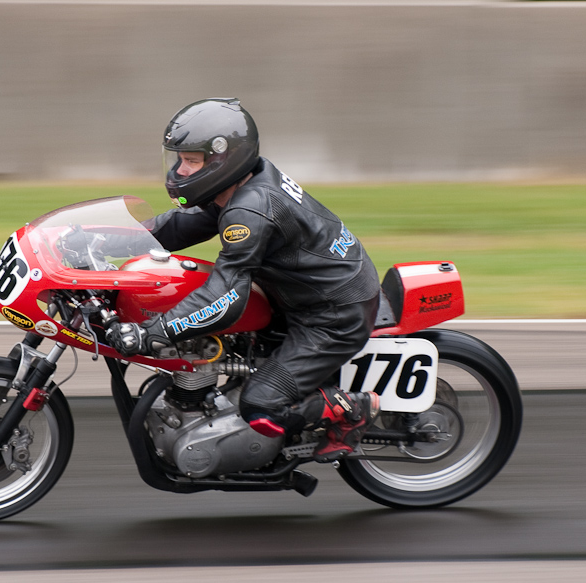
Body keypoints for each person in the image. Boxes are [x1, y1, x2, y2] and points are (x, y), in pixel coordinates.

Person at [105, 98, 382, 462]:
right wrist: (101, 238)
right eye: (179, 159)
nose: (180, 171)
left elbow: (224, 297)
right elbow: (176, 226)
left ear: (224, 159)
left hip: (331, 316)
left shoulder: (249, 211)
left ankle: (350, 408)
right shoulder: (238, 187)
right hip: (306, 291)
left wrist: (153, 332)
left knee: (260, 405)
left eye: (191, 161)